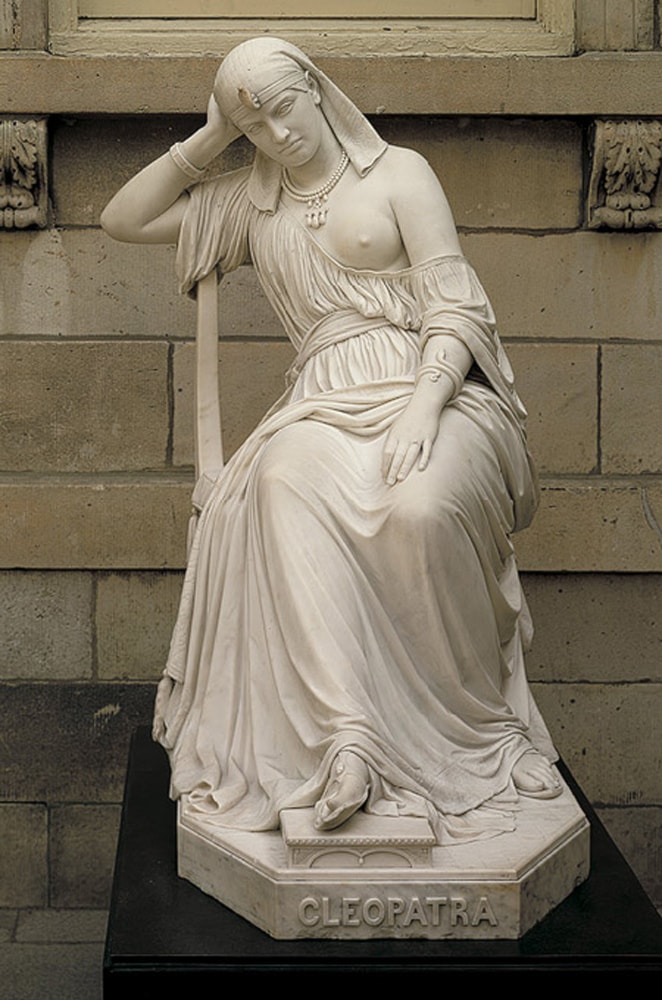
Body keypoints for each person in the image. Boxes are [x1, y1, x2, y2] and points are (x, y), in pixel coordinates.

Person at [101, 37, 560, 843]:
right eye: (258, 127)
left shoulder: (400, 175)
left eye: (284, 109)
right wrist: (212, 136)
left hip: (436, 387)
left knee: (422, 509)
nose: (279, 135)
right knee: (278, 482)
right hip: (322, 403)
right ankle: (347, 740)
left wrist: (424, 408)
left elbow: (457, 306)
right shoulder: (248, 205)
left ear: (315, 89)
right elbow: (121, 219)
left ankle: (486, 734)